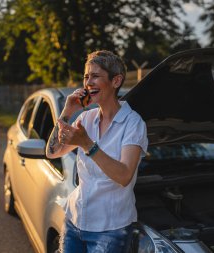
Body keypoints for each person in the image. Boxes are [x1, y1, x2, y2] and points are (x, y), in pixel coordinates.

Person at [46, 50, 148, 253]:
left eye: (95, 76)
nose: (88, 83)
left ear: (116, 81)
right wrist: (67, 111)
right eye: (86, 76)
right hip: (75, 220)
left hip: (110, 229)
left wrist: (87, 144)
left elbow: (124, 175)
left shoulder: (133, 123)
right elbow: (52, 151)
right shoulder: (85, 119)